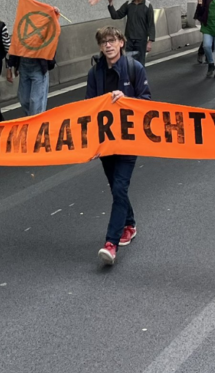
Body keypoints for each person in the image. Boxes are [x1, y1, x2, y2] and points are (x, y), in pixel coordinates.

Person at [86, 27, 151, 266]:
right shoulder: (95, 73)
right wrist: (91, 145)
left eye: (112, 41)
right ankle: (130, 224)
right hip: (106, 143)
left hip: (129, 141)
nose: (108, 46)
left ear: (121, 43)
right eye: (103, 42)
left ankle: (111, 244)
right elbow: (89, 107)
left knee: (120, 187)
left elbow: (147, 102)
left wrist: (125, 100)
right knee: (116, 187)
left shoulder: (135, 69)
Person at [8, 6, 61, 116]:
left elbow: (51, 36)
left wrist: (54, 16)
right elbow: (16, 44)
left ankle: (36, 124)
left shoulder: (42, 18)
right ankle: (33, 120)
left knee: (36, 102)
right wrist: (10, 66)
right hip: (24, 66)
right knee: (24, 99)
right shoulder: (22, 21)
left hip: (38, 68)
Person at [107, 0, 157, 66]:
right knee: (127, 63)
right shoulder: (129, 4)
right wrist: (110, 3)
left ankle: (139, 76)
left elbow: (151, 25)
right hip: (128, 40)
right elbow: (116, 15)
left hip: (141, 40)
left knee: (139, 64)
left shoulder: (147, 5)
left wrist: (150, 42)